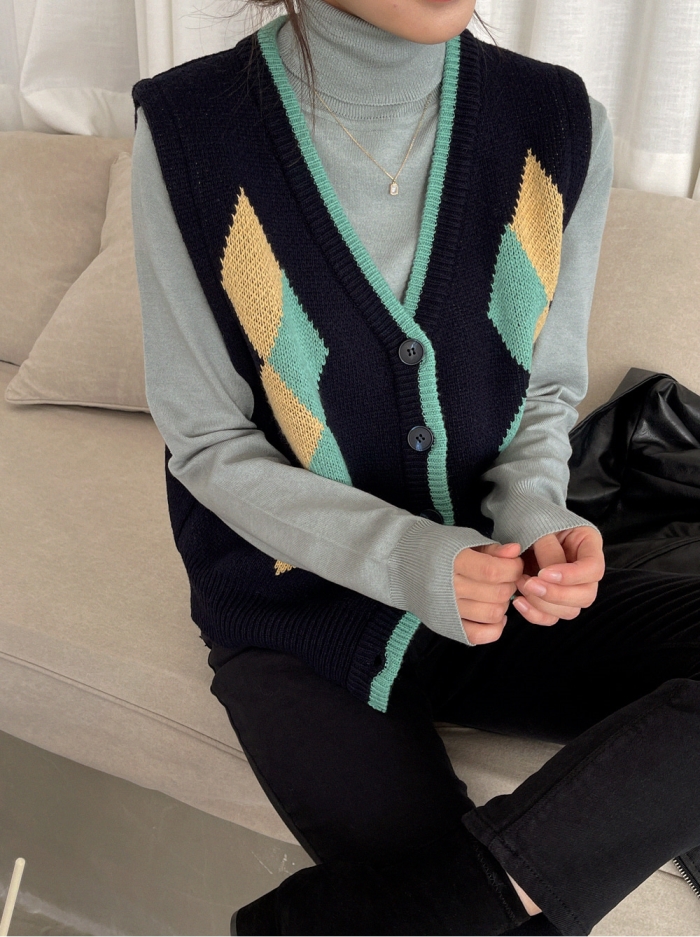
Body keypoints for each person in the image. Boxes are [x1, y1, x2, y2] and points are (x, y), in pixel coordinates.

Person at [130, 0, 700, 933]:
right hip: (298, 615)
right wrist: (410, 560)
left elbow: (545, 389)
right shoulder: (192, 127)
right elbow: (207, 441)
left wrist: (537, 515)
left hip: (498, 595)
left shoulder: (558, 120)